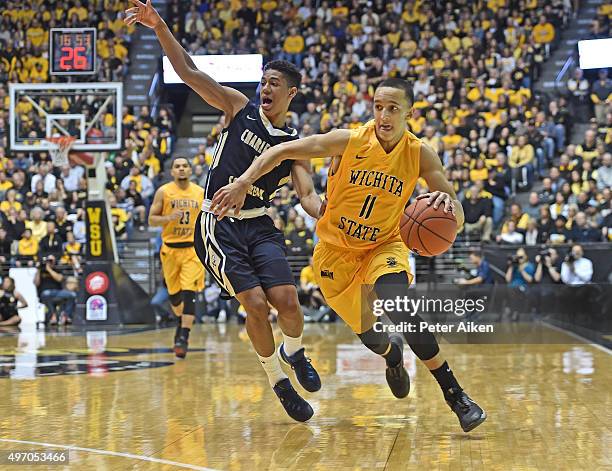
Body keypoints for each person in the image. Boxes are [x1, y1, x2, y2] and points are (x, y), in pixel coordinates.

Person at [213, 78, 486, 432]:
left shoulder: (419, 153)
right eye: (378, 107)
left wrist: (449, 205)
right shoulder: (349, 140)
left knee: (398, 301)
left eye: (393, 109)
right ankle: (392, 356)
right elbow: (282, 151)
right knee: (372, 337)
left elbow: (458, 213)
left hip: (383, 245)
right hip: (335, 254)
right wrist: (245, 180)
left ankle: (456, 396)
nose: (384, 116)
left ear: (410, 113)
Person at [126, 0, 321, 422]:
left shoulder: (293, 143)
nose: (265, 90)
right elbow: (189, 73)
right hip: (217, 224)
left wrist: (326, 212)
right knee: (254, 301)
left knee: (288, 301)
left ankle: (295, 351)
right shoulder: (238, 107)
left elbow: (307, 198)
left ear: (291, 93)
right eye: (264, 82)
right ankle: (278, 381)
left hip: (260, 225)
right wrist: (159, 27)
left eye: (274, 85)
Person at [148, 157, 205, 358]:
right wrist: (168, 218)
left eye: (184, 166)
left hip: (192, 250)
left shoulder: (200, 193)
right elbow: (151, 219)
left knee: (189, 293)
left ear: (190, 170)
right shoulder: (163, 192)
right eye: (177, 166)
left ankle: (183, 337)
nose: (181, 169)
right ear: (172, 171)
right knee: (175, 296)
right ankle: (182, 324)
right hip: (170, 250)